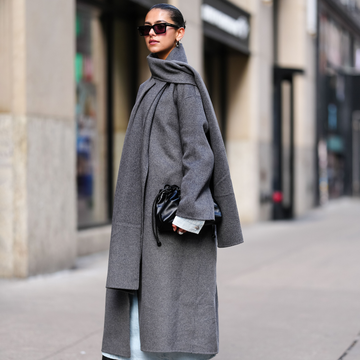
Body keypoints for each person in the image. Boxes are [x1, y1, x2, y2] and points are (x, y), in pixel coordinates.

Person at [101, 4, 243, 360]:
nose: (152, 32)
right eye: (146, 28)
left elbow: (200, 153)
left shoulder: (184, 85)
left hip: (171, 225)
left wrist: (189, 212)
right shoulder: (150, 87)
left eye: (161, 26)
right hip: (145, 224)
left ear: (180, 32)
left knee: (172, 316)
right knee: (142, 306)